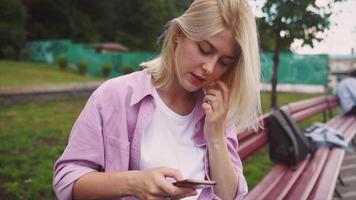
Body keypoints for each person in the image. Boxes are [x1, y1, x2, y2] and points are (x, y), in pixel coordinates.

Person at [53, 0, 262, 199]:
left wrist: (216, 135)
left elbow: (230, 196)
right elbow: (67, 179)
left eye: (224, 62)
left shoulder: (215, 110)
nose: (210, 68)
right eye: (204, 50)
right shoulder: (115, 95)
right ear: (178, 35)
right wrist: (133, 183)